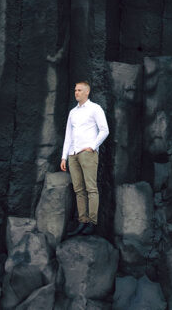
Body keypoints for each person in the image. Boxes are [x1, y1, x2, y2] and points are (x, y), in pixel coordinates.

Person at [59, 80, 109, 236]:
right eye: (75, 90)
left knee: (91, 188)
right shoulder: (73, 112)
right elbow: (68, 135)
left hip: (87, 153)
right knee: (79, 190)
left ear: (87, 92)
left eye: (79, 90)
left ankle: (92, 223)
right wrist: (64, 157)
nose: (76, 92)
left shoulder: (95, 109)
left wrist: (93, 147)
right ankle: (83, 221)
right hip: (72, 154)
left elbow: (104, 130)